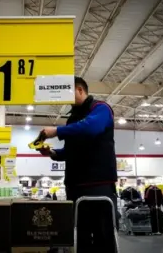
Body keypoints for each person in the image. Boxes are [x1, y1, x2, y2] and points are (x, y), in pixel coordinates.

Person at [37, 77, 118, 251]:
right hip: (74, 186)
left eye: (68, 92)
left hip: (99, 186)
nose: (65, 99)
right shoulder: (72, 119)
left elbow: (90, 128)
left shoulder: (101, 109)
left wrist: (57, 131)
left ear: (80, 90)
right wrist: (52, 152)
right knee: (80, 238)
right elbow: (70, 151)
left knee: (103, 236)